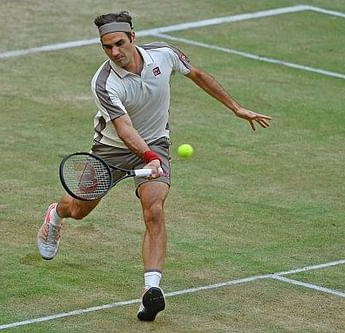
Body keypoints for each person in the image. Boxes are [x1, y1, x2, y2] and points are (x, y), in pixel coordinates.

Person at [37, 10, 272, 322]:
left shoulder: (165, 55)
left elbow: (198, 75)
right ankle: (55, 215)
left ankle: (151, 291)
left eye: (119, 43)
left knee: (155, 210)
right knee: (79, 210)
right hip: (111, 150)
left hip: (156, 143)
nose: (114, 52)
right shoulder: (104, 83)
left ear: (133, 37)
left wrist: (236, 107)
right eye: (107, 47)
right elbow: (124, 130)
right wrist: (148, 159)